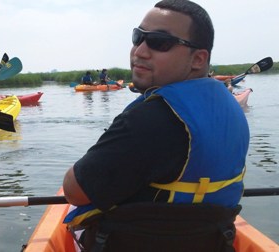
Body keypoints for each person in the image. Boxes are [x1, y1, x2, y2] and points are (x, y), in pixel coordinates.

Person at [62, 0, 249, 251]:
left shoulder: (150, 119)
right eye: (138, 37)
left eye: (159, 42)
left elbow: (74, 191)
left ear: (198, 59)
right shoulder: (230, 106)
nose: (139, 51)